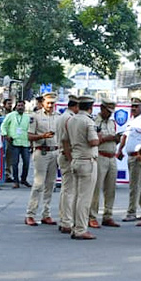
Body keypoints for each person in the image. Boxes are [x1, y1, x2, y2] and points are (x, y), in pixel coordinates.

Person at [64, 95, 100, 240]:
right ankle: (80, 228)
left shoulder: (71, 120)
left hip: (76, 159)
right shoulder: (88, 122)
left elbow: (65, 141)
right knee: (85, 198)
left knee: (76, 196)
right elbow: (93, 141)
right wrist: (100, 137)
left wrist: (71, 157)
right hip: (87, 161)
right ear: (90, 107)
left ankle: (74, 226)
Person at [25, 92, 60, 226]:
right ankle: (30, 214)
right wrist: (42, 137)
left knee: (50, 185)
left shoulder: (58, 117)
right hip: (41, 152)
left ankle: (46, 214)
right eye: (48, 103)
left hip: (54, 152)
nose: (50, 105)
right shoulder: (35, 117)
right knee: (38, 184)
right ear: (43, 103)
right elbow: (29, 136)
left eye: (52, 103)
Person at [89, 98, 123, 228]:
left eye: (111, 112)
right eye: (108, 111)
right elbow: (94, 140)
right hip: (100, 156)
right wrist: (110, 138)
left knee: (111, 189)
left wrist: (116, 139)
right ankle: (92, 215)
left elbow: (113, 139)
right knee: (96, 189)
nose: (110, 114)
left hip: (111, 157)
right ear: (102, 108)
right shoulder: (94, 121)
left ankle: (108, 215)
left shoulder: (112, 123)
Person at [119, 98, 141, 222]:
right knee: (136, 186)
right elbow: (125, 136)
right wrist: (120, 149)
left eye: (136, 106)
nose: (133, 108)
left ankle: (131, 212)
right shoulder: (132, 120)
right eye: (132, 106)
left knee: (134, 186)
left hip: (138, 156)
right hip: (130, 155)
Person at [56, 95, 81, 233]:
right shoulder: (71, 119)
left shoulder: (61, 117)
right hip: (68, 155)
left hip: (62, 154)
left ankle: (64, 218)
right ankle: (67, 221)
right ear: (76, 106)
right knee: (69, 191)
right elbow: (68, 140)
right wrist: (72, 158)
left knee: (65, 190)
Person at [1, 99, 32, 188]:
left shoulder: (27, 117)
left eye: (22, 106)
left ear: (24, 107)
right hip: (14, 143)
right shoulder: (11, 115)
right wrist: (5, 135)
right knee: (15, 163)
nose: (20, 107)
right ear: (16, 106)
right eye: (18, 106)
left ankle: (23, 179)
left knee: (26, 162)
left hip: (25, 143)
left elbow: (31, 129)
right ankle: (16, 181)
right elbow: (3, 126)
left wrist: (32, 141)